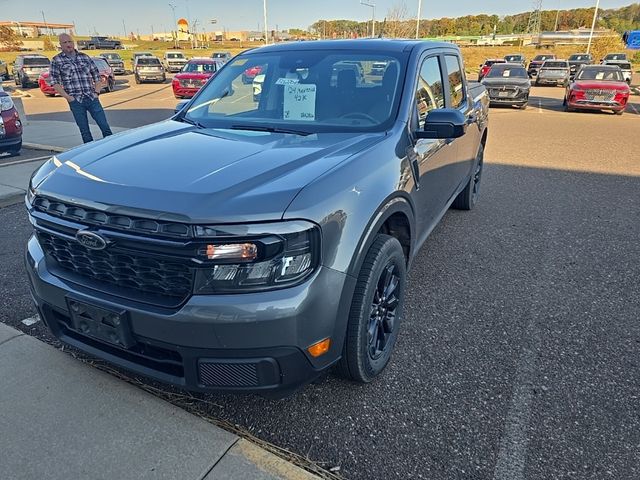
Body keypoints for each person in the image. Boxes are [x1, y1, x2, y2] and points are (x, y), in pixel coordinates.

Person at [49, 33, 112, 143]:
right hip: (76, 101)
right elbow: (55, 82)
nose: (68, 44)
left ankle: (111, 150)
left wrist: (96, 93)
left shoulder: (84, 57)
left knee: (105, 127)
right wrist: (68, 98)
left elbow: (96, 76)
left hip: (92, 98)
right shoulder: (56, 60)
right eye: (65, 42)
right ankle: (90, 156)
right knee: (85, 131)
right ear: (60, 45)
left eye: (70, 41)